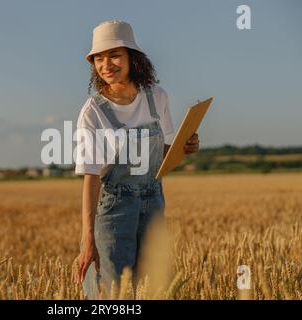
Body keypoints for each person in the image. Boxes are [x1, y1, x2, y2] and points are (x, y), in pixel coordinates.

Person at [73, 20, 199, 299]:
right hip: (115, 209)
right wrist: (87, 239)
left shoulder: (157, 97)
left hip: (154, 202)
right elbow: (91, 175)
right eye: (99, 58)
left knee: (155, 289)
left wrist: (186, 146)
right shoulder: (93, 111)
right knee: (116, 294)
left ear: (133, 57)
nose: (106, 64)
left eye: (114, 55)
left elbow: (165, 157)